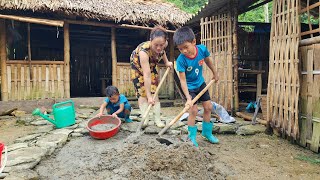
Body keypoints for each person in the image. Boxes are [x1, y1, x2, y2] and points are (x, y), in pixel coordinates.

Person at [173, 26, 219, 147]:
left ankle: (206, 133)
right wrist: (188, 98)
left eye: (186, 47)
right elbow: (182, 81)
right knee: (193, 110)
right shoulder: (181, 60)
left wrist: (215, 73)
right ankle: (191, 137)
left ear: (194, 42)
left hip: (200, 84)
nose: (183, 51)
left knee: (208, 107)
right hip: (189, 87)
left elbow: (208, 61)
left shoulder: (202, 50)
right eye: (180, 49)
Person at [130, 26, 173, 128]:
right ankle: (145, 118)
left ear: (165, 42)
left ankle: (157, 119)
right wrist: (149, 96)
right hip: (138, 66)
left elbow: (163, 53)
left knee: (155, 91)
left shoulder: (163, 44)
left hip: (152, 64)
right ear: (150, 41)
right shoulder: (143, 52)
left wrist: (166, 62)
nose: (159, 47)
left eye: (161, 45)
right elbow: (147, 74)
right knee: (142, 92)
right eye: (156, 45)